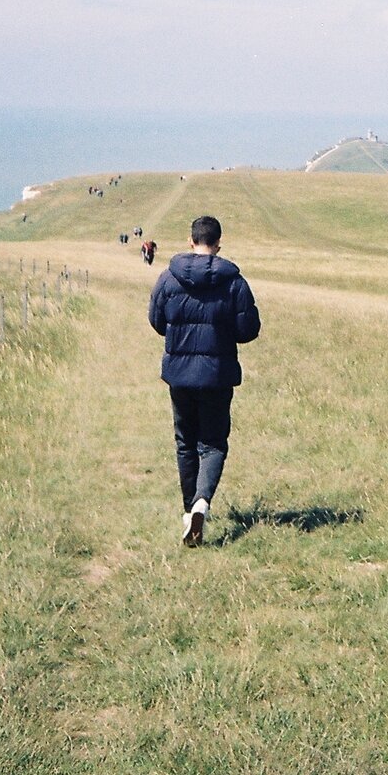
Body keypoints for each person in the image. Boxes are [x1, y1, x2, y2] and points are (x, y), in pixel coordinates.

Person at [149, 215, 261, 547]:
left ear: (190, 240)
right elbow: (248, 331)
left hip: (179, 376)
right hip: (217, 376)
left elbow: (157, 321)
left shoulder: (168, 279)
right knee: (212, 445)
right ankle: (202, 503)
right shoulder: (234, 282)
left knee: (185, 443)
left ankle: (189, 512)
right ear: (218, 244)